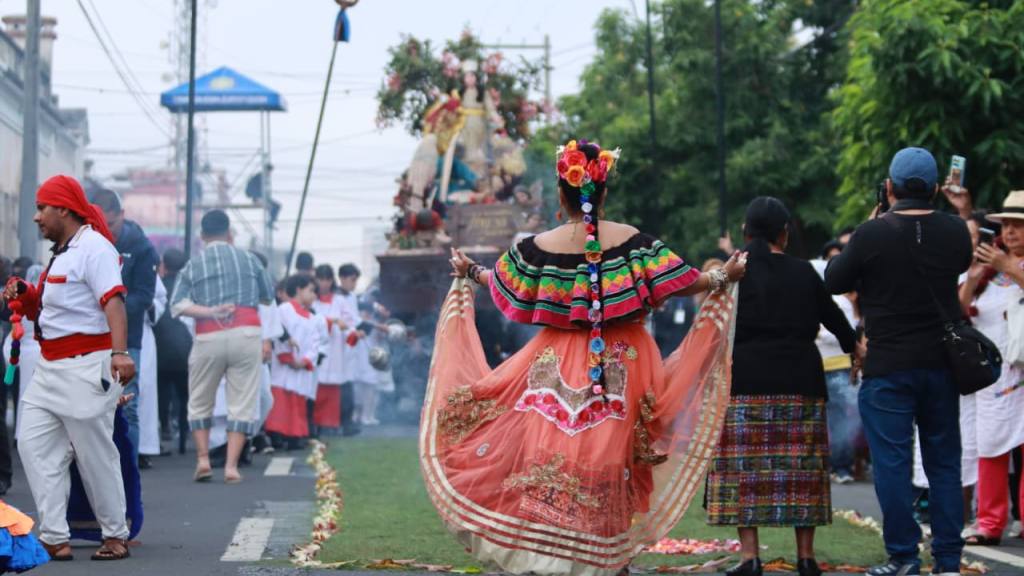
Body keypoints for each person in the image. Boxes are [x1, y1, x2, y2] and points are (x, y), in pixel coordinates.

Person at [430, 139, 747, 575]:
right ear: (604, 192)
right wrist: (722, 276)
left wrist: (471, 272)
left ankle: (553, 557)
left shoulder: (539, 246)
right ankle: (609, 559)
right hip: (626, 362)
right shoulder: (634, 241)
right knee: (614, 461)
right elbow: (682, 281)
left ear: (562, 196)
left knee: (549, 457)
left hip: (554, 361)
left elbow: (504, 282)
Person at [825, 147, 972, 576]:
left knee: (891, 464)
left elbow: (834, 279)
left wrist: (871, 224)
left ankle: (904, 556)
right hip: (941, 364)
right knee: (943, 463)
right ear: (934, 189)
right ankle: (948, 561)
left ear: (889, 187)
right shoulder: (954, 231)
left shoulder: (872, 233)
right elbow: (962, 261)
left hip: (888, 365)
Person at [706, 197, 857, 576]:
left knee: (743, 472)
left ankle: (749, 558)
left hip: (745, 383)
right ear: (784, 234)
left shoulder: (734, 274)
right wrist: (855, 348)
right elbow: (835, 319)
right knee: (802, 471)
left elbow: (712, 327)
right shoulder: (804, 272)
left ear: (745, 233)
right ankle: (806, 558)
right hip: (800, 381)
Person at [4, 174, 136, 561]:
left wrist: (120, 353)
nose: (36, 217)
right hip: (50, 368)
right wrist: (27, 294)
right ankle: (54, 536)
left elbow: (114, 302)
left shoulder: (94, 248)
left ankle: (115, 535)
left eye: (41, 208)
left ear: (64, 209)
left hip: (86, 367)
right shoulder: (62, 252)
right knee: (32, 444)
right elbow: (50, 312)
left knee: (95, 455)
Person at [170, 209, 274, 484]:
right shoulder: (250, 259)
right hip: (246, 333)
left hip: (208, 335)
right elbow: (267, 297)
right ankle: (231, 466)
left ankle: (203, 460)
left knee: (200, 399)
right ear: (229, 233)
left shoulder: (194, 264)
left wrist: (210, 310)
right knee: (242, 402)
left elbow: (176, 305)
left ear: (202, 235)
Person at [958, 191, 1024, 545]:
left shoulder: (1004, 264)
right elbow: (959, 310)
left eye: (1018, 225)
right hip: (994, 374)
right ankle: (990, 522)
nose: (1010, 231)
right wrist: (972, 279)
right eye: (1006, 225)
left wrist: (1009, 268)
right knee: (991, 445)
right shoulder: (988, 266)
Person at [91, 188, 159, 466]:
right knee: (92, 407)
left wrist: (111, 306)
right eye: (100, 224)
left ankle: (128, 467)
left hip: (128, 339)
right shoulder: (89, 242)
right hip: (91, 338)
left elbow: (144, 297)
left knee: (127, 405)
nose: (106, 230)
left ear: (121, 215)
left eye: (111, 223)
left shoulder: (142, 248)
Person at [265, 275, 325, 447]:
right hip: (284, 367)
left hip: (300, 368)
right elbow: (277, 333)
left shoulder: (312, 317)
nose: (314, 296)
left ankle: (294, 436)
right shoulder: (284, 310)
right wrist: (287, 358)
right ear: (298, 289)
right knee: (281, 403)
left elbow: (315, 344)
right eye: (311, 291)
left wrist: (305, 361)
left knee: (297, 402)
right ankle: (277, 436)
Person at [154, 248, 192, 454]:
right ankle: (184, 434)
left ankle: (164, 427)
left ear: (164, 266)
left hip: (160, 349)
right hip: (185, 350)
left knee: (161, 393)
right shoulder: (188, 288)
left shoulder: (158, 286)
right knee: (185, 395)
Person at [312, 265, 348, 433]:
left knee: (333, 389)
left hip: (335, 348)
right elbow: (311, 319)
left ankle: (331, 424)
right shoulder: (312, 299)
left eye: (328, 279)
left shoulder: (340, 301)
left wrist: (346, 327)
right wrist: (331, 321)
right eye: (321, 279)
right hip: (317, 346)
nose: (324, 283)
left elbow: (350, 321)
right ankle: (316, 423)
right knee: (317, 387)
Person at [336, 264, 364, 436]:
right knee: (342, 384)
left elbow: (355, 320)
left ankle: (347, 421)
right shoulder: (336, 298)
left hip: (351, 343)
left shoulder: (352, 297)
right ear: (342, 278)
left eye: (355, 280)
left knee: (348, 382)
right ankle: (343, 422)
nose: (354, 284)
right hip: (339, 345)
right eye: (352, 280)